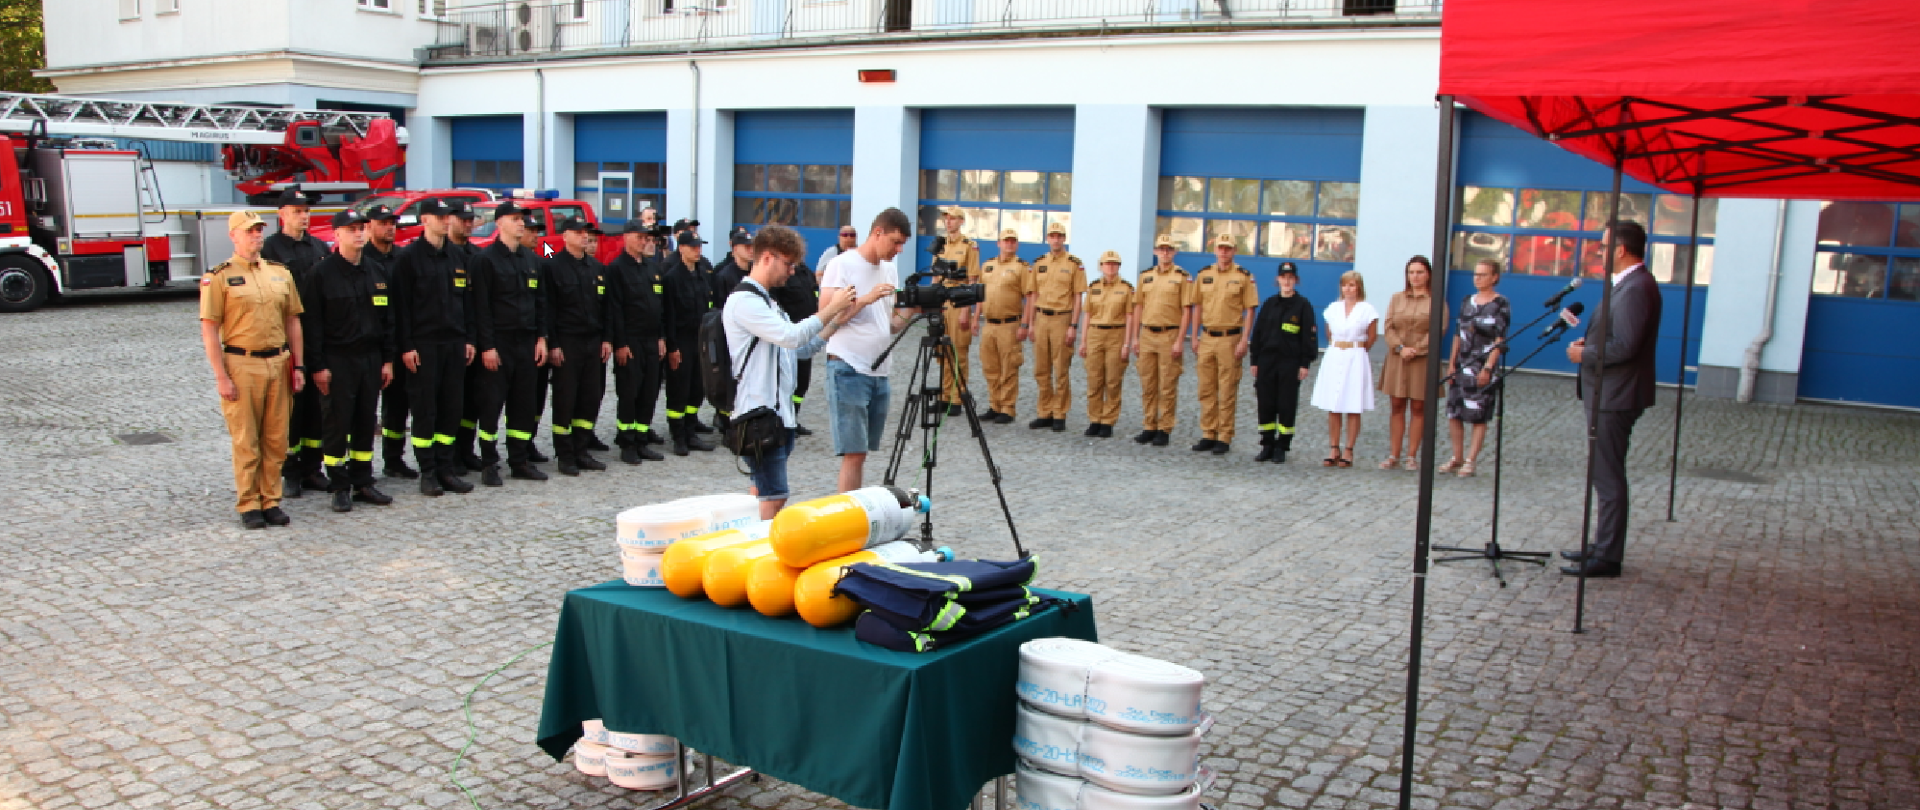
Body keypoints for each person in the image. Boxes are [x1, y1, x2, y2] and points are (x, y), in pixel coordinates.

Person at [724, 225, 878, 518]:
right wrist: (831, 308)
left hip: (778, 415)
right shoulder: (744, 301)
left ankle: (748, 546)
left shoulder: (768, 302)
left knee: (761, 491)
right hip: (758, 414)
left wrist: (838, 321)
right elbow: (791, 336)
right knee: (774, 496)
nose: (792, 271)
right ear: (768, 257)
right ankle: (756, 554)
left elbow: (798, 350)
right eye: (788, 263)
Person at [1562, 221, 1663, 579]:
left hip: (1616, 394)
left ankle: (1607, 554)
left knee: (1608, 475)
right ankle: (1601, 544)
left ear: (1620, 249)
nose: (1599, 252)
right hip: (1606, 390)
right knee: (1601, 472)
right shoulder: (1625, 283)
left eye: (1603, 247)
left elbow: (1626, 345)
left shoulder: (1637, 287)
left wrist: (1586, 353)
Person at [198, 211, 305, 529]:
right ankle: (248, 503)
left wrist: (298, 363)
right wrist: (221, 375)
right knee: (247, 438)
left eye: (260, 230)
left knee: (276, 438)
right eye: (249, 231)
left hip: (278, 361)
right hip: (242, 363)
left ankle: (270, 500)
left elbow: (293, 320)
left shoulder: (279, 273)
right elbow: (209, 329)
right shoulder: (218, 276)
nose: (257, 236)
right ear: (234, 235)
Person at [303, 209, 396, 512]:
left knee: (365, 421)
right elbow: (312, 325)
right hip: (337, 359)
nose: (358, 234)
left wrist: (387, 360)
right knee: (336, 423)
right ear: (337, 234)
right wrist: (317, 366)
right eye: (351, 229)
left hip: (369, 359)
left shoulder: (375, 271)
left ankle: (363, 481)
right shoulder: (322, 274)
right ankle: (339, 485)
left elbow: (387, 320)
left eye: (361, 229)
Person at [818, 208, 910, 492]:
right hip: (848, 366)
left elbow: (890, 324)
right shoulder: (842, 265)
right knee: (853, 453)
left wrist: (913, 310)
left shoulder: (890, 269)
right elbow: (826, 317)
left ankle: (856, 512)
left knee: (863, 453)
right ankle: (848, 516)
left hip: (880, 369)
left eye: (903, 244)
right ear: (877, 233)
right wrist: (866, 299)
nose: (899, 250)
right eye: (895, 242)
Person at [391, 197, 476, 496]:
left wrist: (469, 339)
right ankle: (427, 471)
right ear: (424, 220)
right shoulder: (409, 258)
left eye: (448, 216)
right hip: (423, 344)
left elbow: (467, 302)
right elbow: (400, 308)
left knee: (451, 408)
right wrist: (406, 346)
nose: (446, 221)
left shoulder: (456, 256)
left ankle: (446, 468)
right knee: (425, 410)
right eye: (440, 216)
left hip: (453, 343)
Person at [468, 200, 551, 483]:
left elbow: (540, 303)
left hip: (526, 342)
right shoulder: (485, 260)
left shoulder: (531, 261)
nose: (521, 224)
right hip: (499, 344)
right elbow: (481, 308)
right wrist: (487, 347)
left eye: (523, 220)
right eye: (515, 219)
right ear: (500, 222)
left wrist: (541, 338)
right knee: (491, 406)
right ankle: (489, 463)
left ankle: (519, 460)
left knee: (523, 405)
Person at [262, 187, 329, 498]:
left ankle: (313, 468)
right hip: (286, 335)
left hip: (317, 334)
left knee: (317, 407)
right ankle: (290, 471)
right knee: (290, 408)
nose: (304, 216)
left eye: (306, 211)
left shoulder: (318, 247)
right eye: (297, 211)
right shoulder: (270, 249)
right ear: (282, 214)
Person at [543, 216, 615, 476]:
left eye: (586, 233)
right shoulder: (553, 267)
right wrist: (554, 343)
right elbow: (548, 309)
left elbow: (606, 308)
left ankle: (582, 449)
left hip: (592, 342)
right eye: (578, 232)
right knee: (565, 399)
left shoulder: (596, 268)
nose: (585, 236)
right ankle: (565, 454)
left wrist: (607, 338)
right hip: (567, 342)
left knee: (590, 397)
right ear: (565, 236)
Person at [607, 219, 671, 465]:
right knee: (629, 392)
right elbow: (615, 310)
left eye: (647, 238)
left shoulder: (652, 269)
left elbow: (660, 308)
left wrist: (662, 338)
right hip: (630, 340)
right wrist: (620, 343)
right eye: (640, 237)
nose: (644, 241)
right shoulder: (616, 269)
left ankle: (642, 439)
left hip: (651, 341)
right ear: (626, 237)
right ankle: (627, 441)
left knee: (649, 391)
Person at [1188, 234, 1258, 455]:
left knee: (1227, 389)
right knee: (1206, 388)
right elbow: (1197, 306)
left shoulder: (1243, 276)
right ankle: (1208, 432)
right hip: (1207, 336)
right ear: (1215, 250)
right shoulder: (1204, 275)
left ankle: (1224, 436)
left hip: (1230, 338)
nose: (1224, 252)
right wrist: (1195, 336)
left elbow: (1250, 310)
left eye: (1228, 248)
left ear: (1234, 251)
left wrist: (1245, 339)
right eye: (1220, 248)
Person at [365, 204, 421, 478]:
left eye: (392, 223)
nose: (390, 227)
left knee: (398, 404)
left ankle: (393, 458)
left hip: (400, 341)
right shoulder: (362, 258)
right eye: (384, 223)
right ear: (369, 226)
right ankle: (358, 467)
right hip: (369, 342)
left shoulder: (403, 257)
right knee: (363, 407)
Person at [1439, 259, 1508, 479]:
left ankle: (1471, 460)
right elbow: (1458, 334)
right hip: (1462, 363)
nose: (1477, 278)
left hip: (1483, 365)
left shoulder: (1500, 304)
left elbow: (1500, 339)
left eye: (1483, 275)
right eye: (1475, 274)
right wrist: (1451, 363)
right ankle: (1456, 456)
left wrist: (1488, 367)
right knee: (1455, 411)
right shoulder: (1467, 301)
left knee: (1478, 413)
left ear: (1494, 277)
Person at [1378, 256, 1447, 471]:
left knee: (1419, 407)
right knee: (1397, 405)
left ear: (1428, 275)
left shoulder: (1436, 301)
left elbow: (1438, 329)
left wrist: (1416, 349)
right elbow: (1388, 326)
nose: (1415, 276)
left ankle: (1412, 456)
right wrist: (1399, 348)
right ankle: (1394, 454)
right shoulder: (1397, 298)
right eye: (1411, 272)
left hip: (1422, 360)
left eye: (1419, 272)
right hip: (1398, 358)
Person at [1249, 262, 1317, 463]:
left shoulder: (1303, 305)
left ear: (1295, 280)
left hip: (1290, 362)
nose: (1287, 281)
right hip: (1267, 361)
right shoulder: (1269, 304)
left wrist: (1305, 363)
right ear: (1278, 279)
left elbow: (1309, 337)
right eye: (1283, 277)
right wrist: (1255, 360)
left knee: (1286, 404)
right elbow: (1258, 333)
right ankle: (1267, 444)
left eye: (1290, 278)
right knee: (1266, 404)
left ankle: (1282, 446)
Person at [1310, 270, 1378, 467]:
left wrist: (1357, 350)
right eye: (1345, 285)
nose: (1348, 289)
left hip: (1355, 356)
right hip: (1335, 354)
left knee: (1353, 404)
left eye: (1352, 285)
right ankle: (1333, 446)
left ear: (1359, 287)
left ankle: (1349, 448)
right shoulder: (1333, 308)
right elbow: (1329, 333)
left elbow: (1371, 336)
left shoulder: (1367, 309)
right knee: (1334, 404)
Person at [1132, 234, 1193, 447]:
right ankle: (1149, 425)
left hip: (1169, 334)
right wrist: (1135, 337)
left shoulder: (1182, 277)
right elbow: (1138, 306)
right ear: (1155, 251)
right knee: (1148, 383)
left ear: (1174, 252)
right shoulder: (1146, 276)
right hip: (1147, 333)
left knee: (1167, 384)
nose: (1165, 252)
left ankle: (1164, 428)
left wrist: (1179, 341)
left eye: (1169, 249)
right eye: (1161, 249)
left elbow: (1187, 310)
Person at [662, 230, 718, 455]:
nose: (698, 250)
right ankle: (678, 436)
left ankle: (691, 429)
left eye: (699, 247)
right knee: (679, 389)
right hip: (682, 340)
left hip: (700, 339)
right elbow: (669, 315)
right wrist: (672, 347)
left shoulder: (703, 274)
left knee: (697, 388)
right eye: (693, 247)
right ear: (681, 248)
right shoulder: (672, 277)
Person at [1028, 222, 1084, 431]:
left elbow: (1078, 296)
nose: (1056, 239)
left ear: (1064, 239)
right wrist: (1031, 323)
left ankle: (1059, 413)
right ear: (1047, 238)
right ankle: (1044, 412)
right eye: (1052, 236)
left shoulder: (1073, 264)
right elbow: (1033, 294)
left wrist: (1073, 325)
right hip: (1042, 318)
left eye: (1059, 236)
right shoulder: (1039, 263)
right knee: (1041, 369)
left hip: (1062, 319)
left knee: (1061, 368)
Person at [976, 228, 1034, 425]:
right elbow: (980, 295)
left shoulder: (1022, 268)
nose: (1009, 244)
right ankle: (994, 405)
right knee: (990, 367)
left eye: (1012, 241)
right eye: (1005, 241)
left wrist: (1025, 324)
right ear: (998, 243)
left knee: (1009, 367)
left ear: (1016, 244)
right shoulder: (988, 266)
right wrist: (976, 318)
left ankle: (1007, 408)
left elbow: (1030, 297)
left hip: (1009, 324)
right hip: (989, 323)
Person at [1077, 250, 1136, 438]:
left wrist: (1127, 344)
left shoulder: (1126, 289)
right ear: (1100, 266)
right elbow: (1087, 315)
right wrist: (1083, 340)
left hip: (1116, 334)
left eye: (1114, 264)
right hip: (1095, 333)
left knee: (1112, 380)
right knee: (1094, 380)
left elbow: (1130, 317)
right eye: (1107, 263)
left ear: (1119, 267)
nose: (1111, 267)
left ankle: (1108, 421)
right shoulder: (1093, 287)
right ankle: (1094, 419)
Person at [930, 207, 981, 416]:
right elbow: (935, 276)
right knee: (942, 351)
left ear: (961, 221)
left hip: (959, 301)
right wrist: (934, 305)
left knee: (958, 351)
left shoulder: (969, 246)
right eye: (946, 218)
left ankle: (957, 398)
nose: (948, 222)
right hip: (943, 301)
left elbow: (973, 279)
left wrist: (965, 310)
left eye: (952, 219)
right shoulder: (940, 245)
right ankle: (944, 395)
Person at [770, 251, 823, 437]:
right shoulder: (780, 278)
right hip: (789, 334)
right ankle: (781, 422)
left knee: (801, 384)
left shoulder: (805, 273)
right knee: (785, 382)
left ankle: (793, 418)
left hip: (806, 334)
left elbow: (815, 295)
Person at [713, 229, 753, 298]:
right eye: (747, 247)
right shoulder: (724, 276)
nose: (751, 250)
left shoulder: (756, 271)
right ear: (735, 249)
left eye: (752, 246)